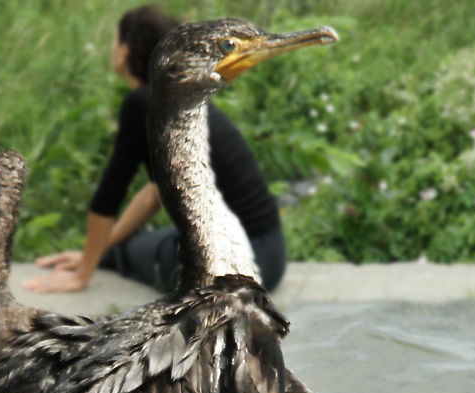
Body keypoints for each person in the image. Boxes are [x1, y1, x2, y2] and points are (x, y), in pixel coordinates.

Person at [22, 4, 286, 295]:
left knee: (132, 251)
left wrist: (83, 273)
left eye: (114, 41)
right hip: (271, 254)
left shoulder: (144, 102)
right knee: (136, 244)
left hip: (238, 266)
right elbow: (154, 193)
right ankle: (106, 256)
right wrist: (95, 252)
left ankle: (108, 259)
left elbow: (109, 195)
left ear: (124, 52)